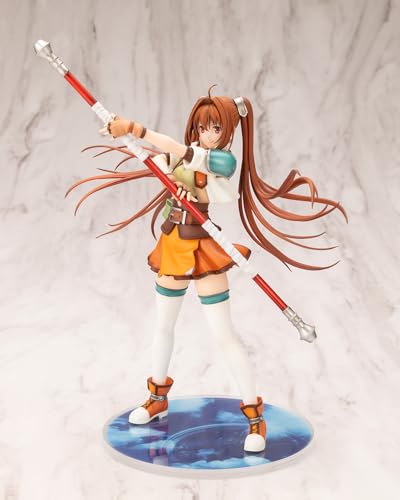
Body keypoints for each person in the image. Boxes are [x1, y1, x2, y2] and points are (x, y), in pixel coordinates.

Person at [68, 87, 347, 453]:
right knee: (162, 326)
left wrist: (134, 129)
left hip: (203, 250)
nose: (208, 134)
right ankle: (157, 398)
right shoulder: (184, 154)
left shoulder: (222, 161)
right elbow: (162, 156)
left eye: (216, 128)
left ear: (227, 131)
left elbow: (176, 149)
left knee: (223, 335)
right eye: (203, 127)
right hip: (173, 244)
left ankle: (255, 417)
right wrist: (126, 138)